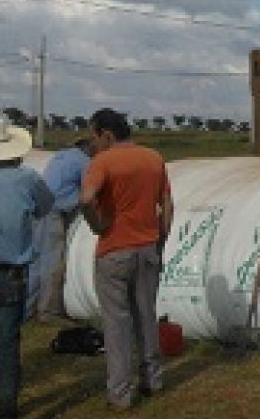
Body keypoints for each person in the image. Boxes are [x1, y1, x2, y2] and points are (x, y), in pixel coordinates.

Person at [80, 108, 174, 410]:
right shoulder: (153, 158)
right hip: (148, 247)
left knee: (117, 323)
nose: (92, 143)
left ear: (106, 134)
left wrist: (97, 225)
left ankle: (120, 393)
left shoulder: (102, 162)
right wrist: (161, 238)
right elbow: (167, 203)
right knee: (146, 315)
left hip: (114, 251)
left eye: (93, 136)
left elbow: (85, 198)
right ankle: (153, 380)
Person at [0, 114, 55, 419]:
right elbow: (45, 206)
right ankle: (4, 411)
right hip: (9, 273)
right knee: (6, 347)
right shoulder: (28, 179)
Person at [35, 137, 93, 324]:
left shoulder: (61, 156)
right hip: (55, 211)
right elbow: (90, 192)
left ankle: (28, 307)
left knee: (38, 260)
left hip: (41, 207)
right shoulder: (84, 162)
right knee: (54, 262)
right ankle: (49, 310)